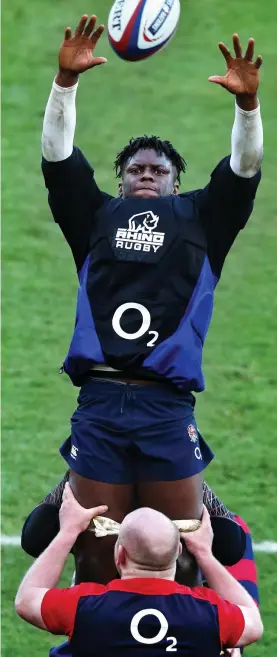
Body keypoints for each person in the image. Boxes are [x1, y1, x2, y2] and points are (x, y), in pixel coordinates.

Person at [41, 13, 263, 581]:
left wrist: (247, 108)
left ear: (175, 181)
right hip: (101, 402)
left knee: (182, 554)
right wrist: (64, 84)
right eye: (135, 168)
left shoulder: (203, 220)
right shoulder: (94, 217)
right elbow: (57, 158)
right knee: (94, 554)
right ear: (120, 181)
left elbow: (244, 168)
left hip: (167, 405)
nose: (146, 173)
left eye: (158, 169)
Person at [15, 484, 263, 656]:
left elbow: (27, 599)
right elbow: (253, 623)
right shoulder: (210, 613)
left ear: (119, 554)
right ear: (178, 552)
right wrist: (205, 555)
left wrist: (68, 531)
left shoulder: (85, 606)